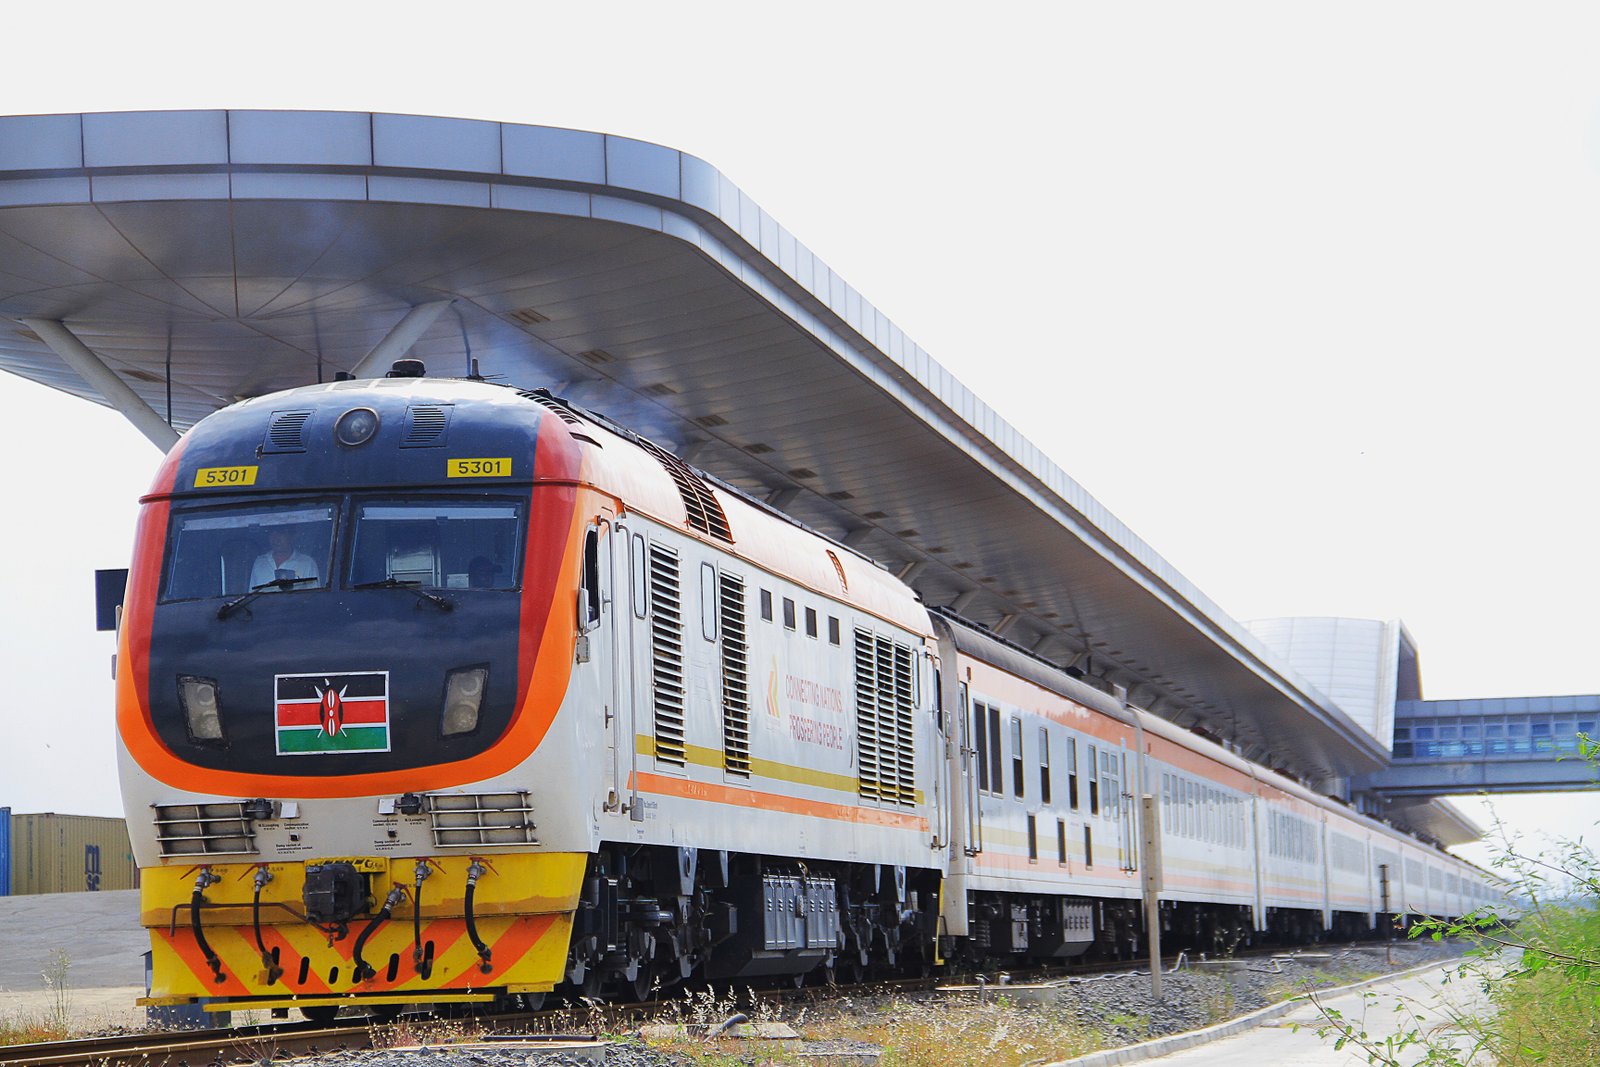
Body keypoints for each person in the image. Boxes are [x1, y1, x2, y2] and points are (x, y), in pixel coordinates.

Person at [249, 528, 321, 589]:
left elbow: (315, 597)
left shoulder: (307, 563)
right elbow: (251, 597)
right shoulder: (260, 562)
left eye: (280, 533)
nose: (275, 539)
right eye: (272, 534)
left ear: (291, 536)